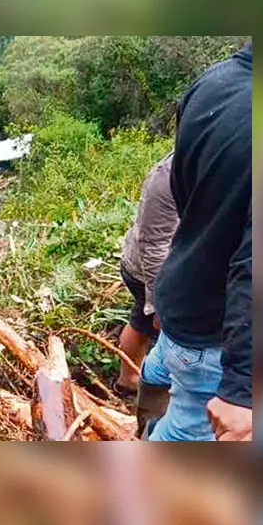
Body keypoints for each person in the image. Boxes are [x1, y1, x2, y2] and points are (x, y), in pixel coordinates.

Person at [139, 42, 252, 441]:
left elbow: (185, 188)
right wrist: (242, 390)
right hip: (215, 331)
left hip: (183, 288)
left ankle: (145, 411)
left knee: (163, 363)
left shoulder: (212, 82)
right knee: (187, 435)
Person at [115, 152, 177, 399]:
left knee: (139, 321)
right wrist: (159, 303)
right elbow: (154, 247)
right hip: (145, 270)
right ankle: (141, 384)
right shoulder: (167, 176)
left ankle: (127, 380)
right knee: (152, 323)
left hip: (150, 263)